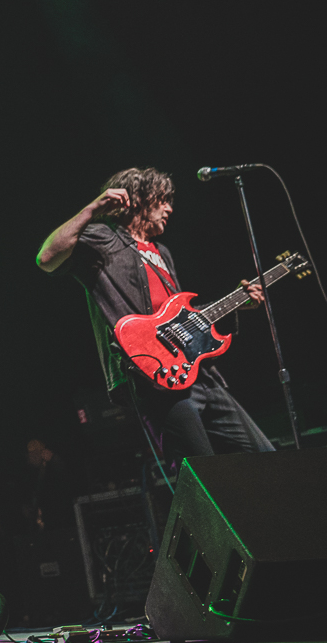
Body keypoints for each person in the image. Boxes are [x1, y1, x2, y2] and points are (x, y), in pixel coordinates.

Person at [36, 167, 275, 460]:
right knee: (202, 471)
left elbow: (178, 316)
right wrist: (92, 209)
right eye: (162, 200)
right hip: (155, 377)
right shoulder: (103, 238)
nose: (169, 208)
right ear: (138, 200)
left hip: (197, 373)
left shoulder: (162, 251)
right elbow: (46, 258)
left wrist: (237, 303)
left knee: (266, 455)